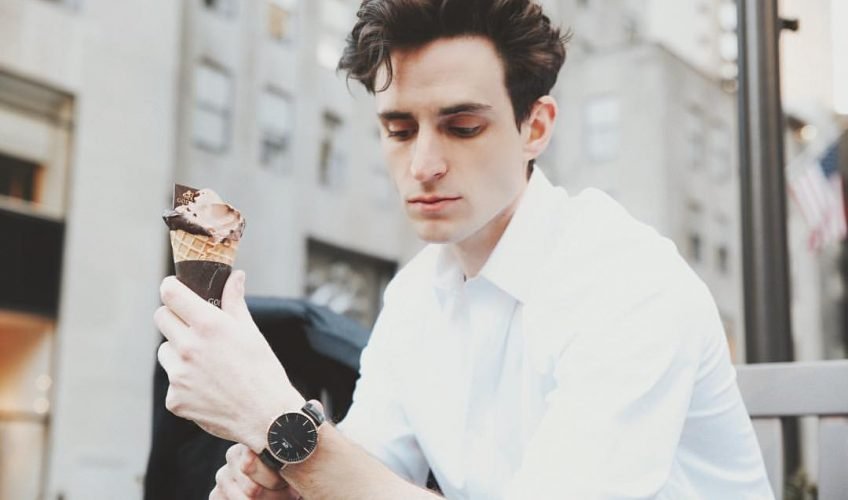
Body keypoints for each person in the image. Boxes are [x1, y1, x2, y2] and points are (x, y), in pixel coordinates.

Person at [153, 0, 775, 498]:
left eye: (463, 127)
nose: (423, 164)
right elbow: (363, 473)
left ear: (535, 127)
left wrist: (279, 419)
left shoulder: (629, 281)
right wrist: (290, 482)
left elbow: (336, 467)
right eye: (399, 129)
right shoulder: (416, 295)